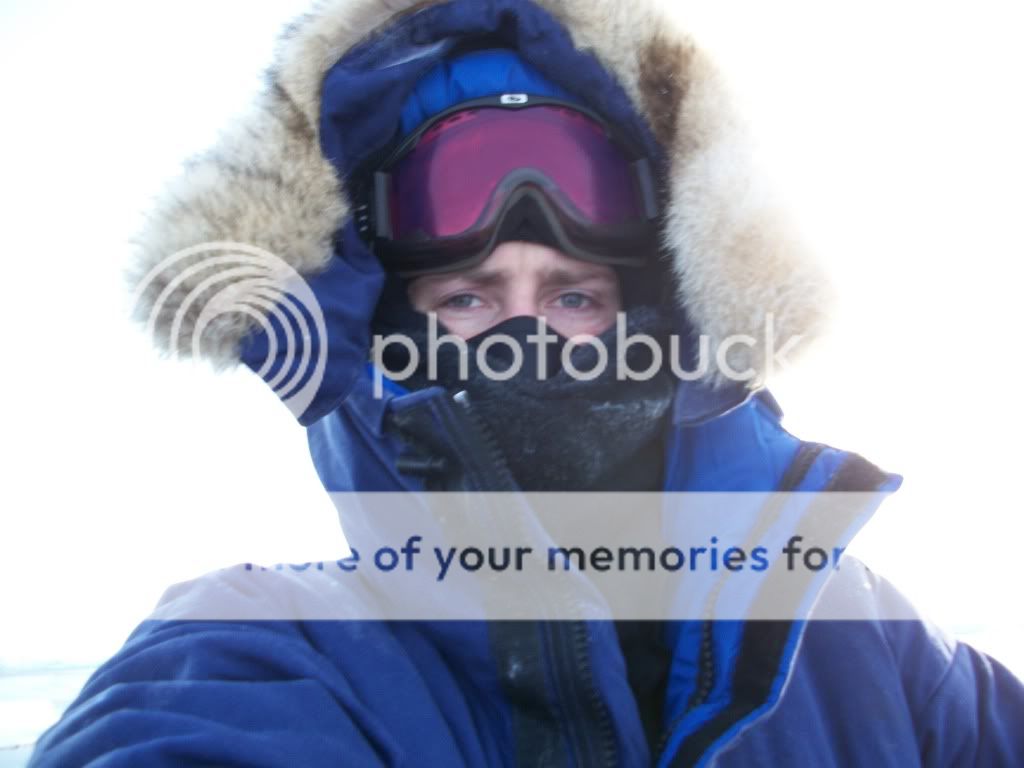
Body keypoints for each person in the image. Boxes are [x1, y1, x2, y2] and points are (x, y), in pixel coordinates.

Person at [31, 0, 1024, 766]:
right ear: (386, 340)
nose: (526, 337)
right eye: (466, 298)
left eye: (573, 295)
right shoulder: (262, 651)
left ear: (664, 315)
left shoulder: (863, 643)